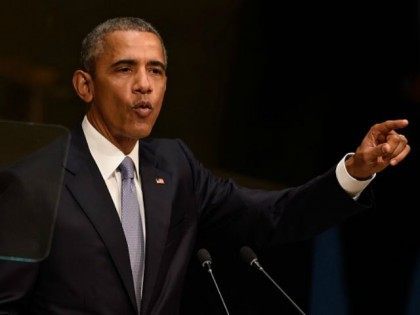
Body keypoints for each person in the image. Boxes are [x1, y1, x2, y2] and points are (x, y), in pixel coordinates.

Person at [0, 17, 410, 315]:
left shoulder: (176, 167)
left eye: (156, 71)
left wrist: (354, 172)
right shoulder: (35, 179)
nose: (144, 84)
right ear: (84, 85)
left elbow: (273, 217)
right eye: (125, 68)